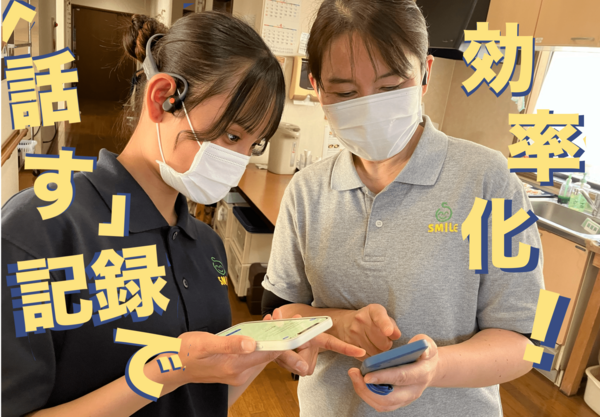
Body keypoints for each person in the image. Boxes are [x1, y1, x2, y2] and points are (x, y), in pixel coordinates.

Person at [1, 12, 363, 417]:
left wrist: (263, 348)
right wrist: (161, 375)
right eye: (231, 135)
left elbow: (204, 399)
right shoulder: (39, 232)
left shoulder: (207, 246)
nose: (239, 161)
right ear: (162, 98)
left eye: (252, 145)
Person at [261, 0, 544, 415]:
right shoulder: (306, 191)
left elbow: (526, 342)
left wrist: (435, 367)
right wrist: (331, 325)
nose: (369, 107)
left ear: (425, 73)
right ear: (316, 86)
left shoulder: (489, 181)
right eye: (345, 93)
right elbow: (277, 311)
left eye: (391, 87)